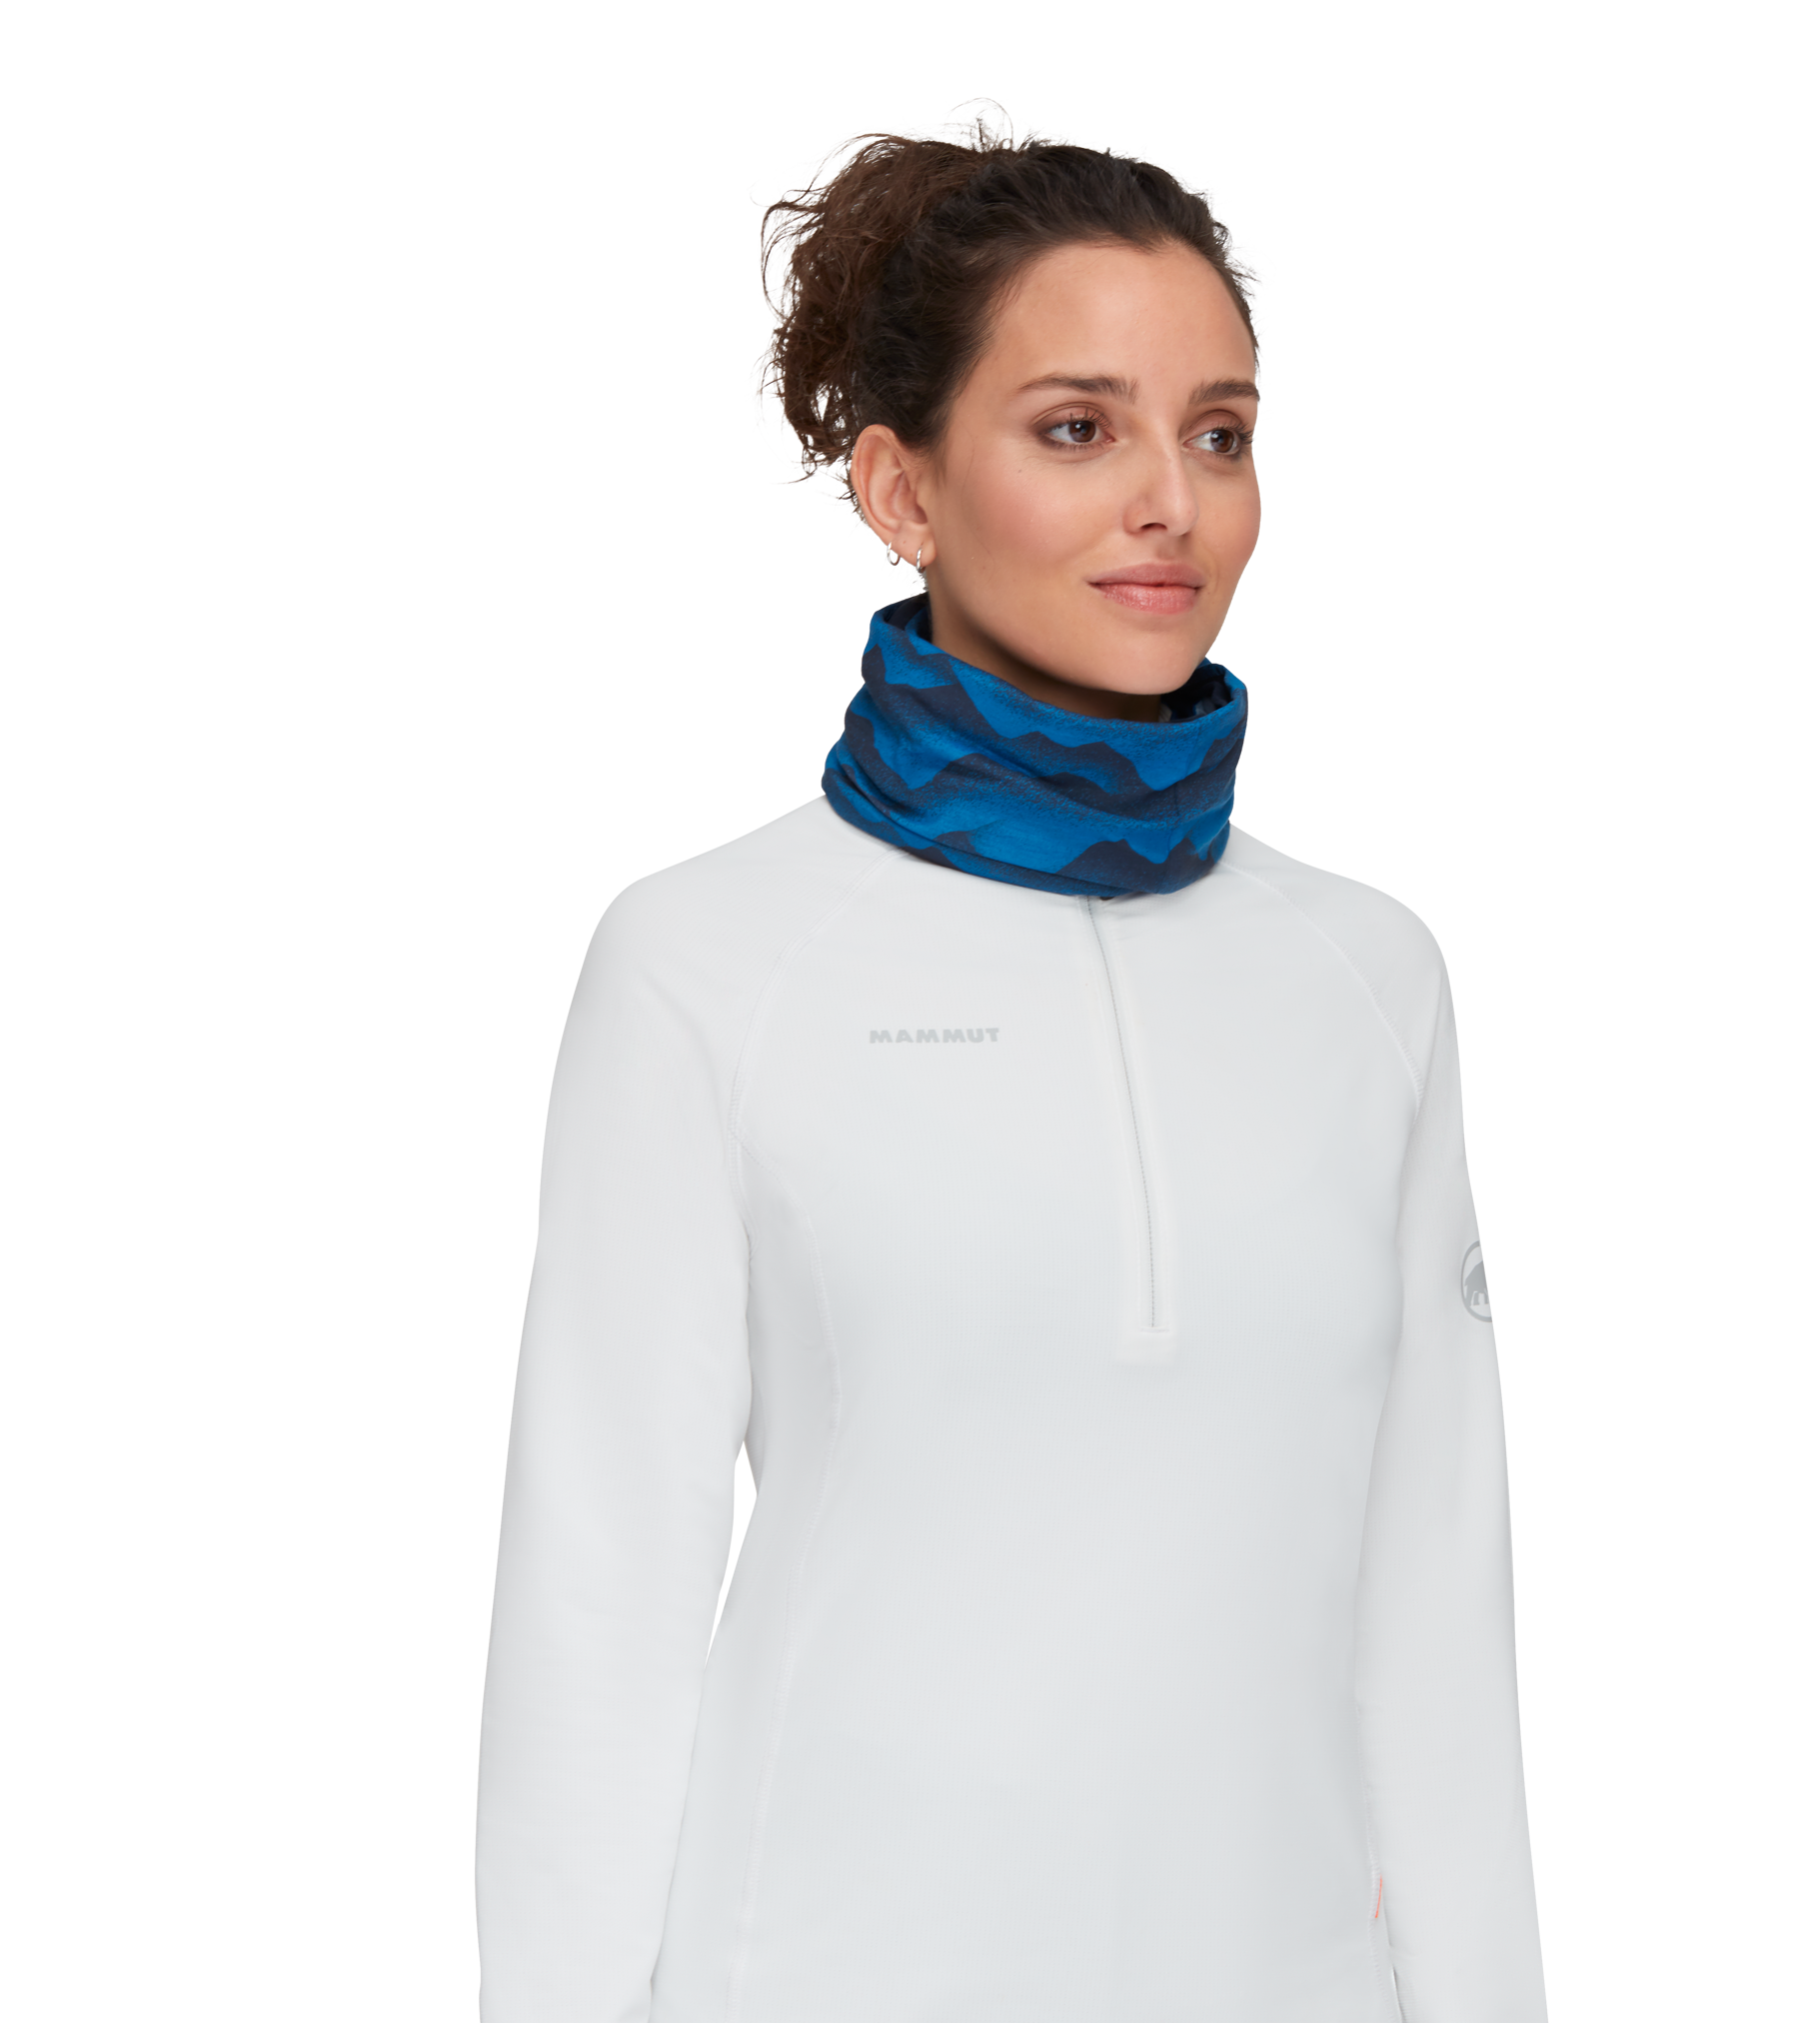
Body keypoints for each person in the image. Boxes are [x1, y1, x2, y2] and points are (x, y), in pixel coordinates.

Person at [477, 98, 1548, 2023]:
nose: (1172, 503)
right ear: (900, 491)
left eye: (1220, 434)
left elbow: (1438, 1594)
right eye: (1076, 428)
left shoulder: (1368, 973)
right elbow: (598, 1598)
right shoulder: (706, 960)